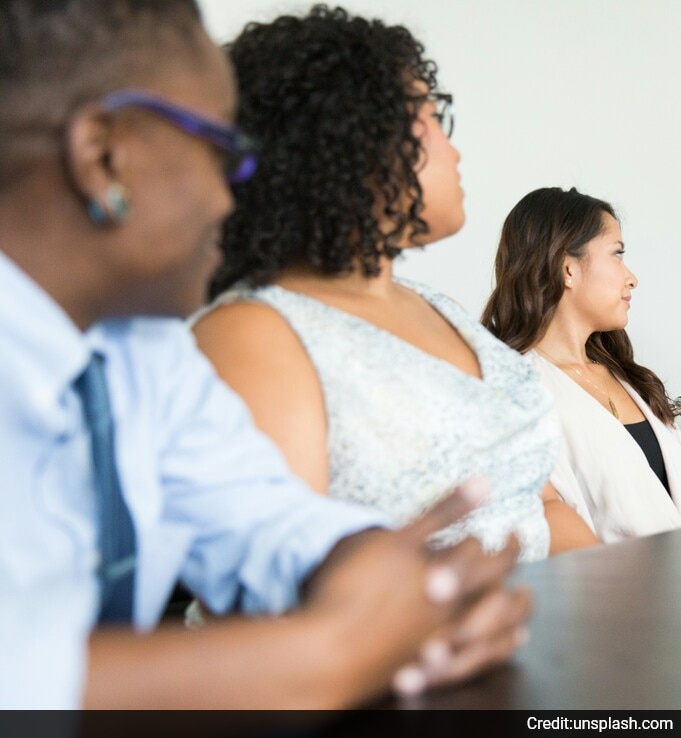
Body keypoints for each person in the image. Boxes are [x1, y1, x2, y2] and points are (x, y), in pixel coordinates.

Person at [0, 0, 529, 709]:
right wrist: (331, 655)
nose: (235, 194)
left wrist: (386, 579)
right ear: (102, 158)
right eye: (222, 151)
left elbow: (267, 520)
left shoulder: (143, 350)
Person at [191, 7, 598, 558]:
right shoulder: (252, 334)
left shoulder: (439, 308)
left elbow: (539, 505)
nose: (453, 149)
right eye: (432, 115)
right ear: (351, 137)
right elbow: (287, 585)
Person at [481, 188, 681, 541]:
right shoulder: (516, 392)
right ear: (567, 268)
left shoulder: (630, 378)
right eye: (617, 254)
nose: (631, 277)